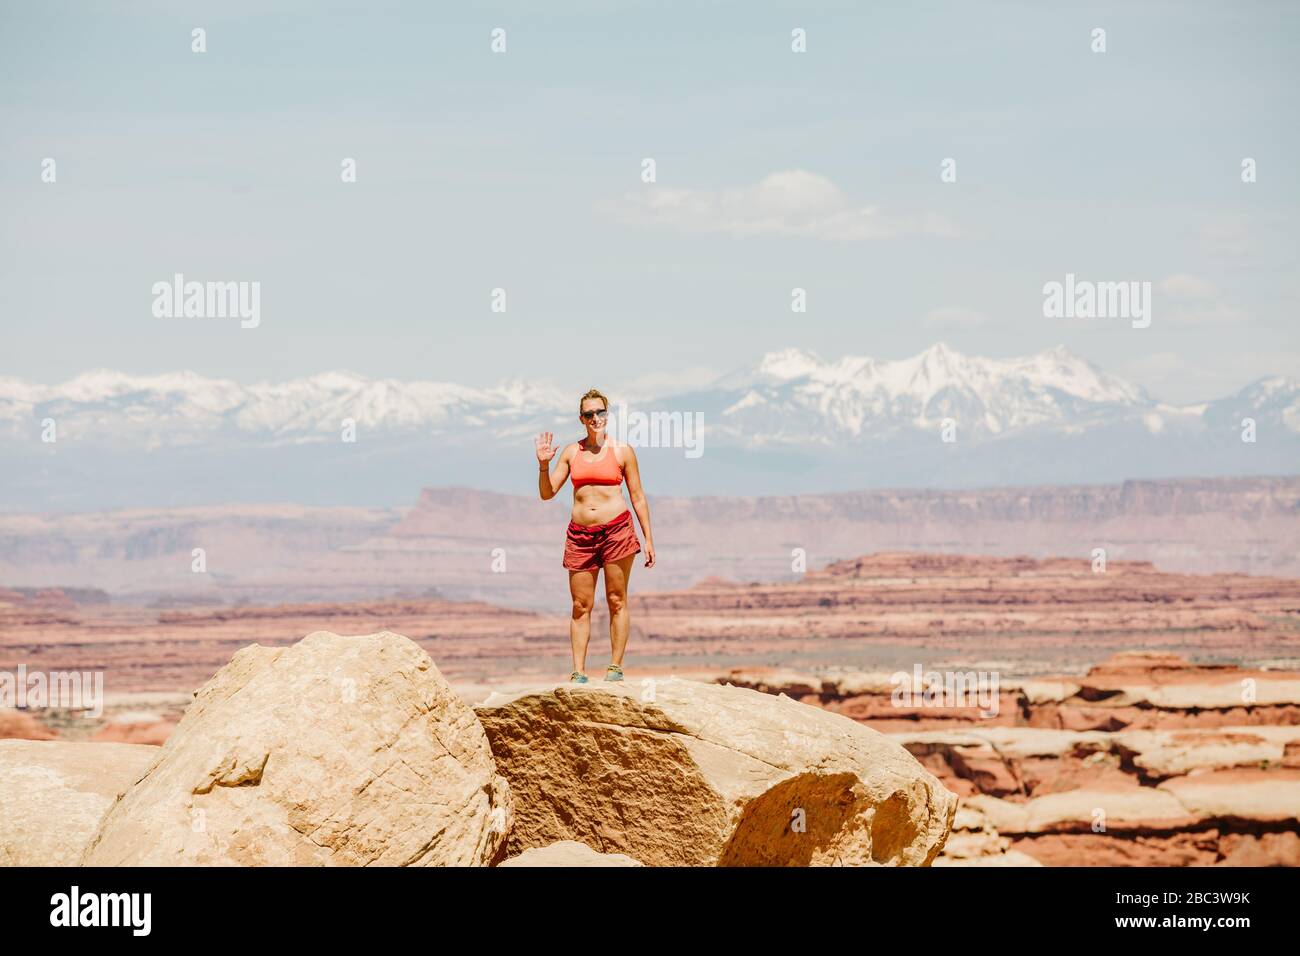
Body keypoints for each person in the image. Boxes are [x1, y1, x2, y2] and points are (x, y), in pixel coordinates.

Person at [535, 388, 655, 683]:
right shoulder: (572, 452)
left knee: (617, 599)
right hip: (580, 536)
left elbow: (638, 496)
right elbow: (547, 493)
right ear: (581, 419)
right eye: (589, 414)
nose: (595, 419)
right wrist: (543, 465)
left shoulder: (622, 451)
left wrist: (648, 539)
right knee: (580, 605)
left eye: (600, 412)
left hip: (617, 530)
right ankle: (578, 672)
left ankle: (615, 667)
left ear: (607, 414)